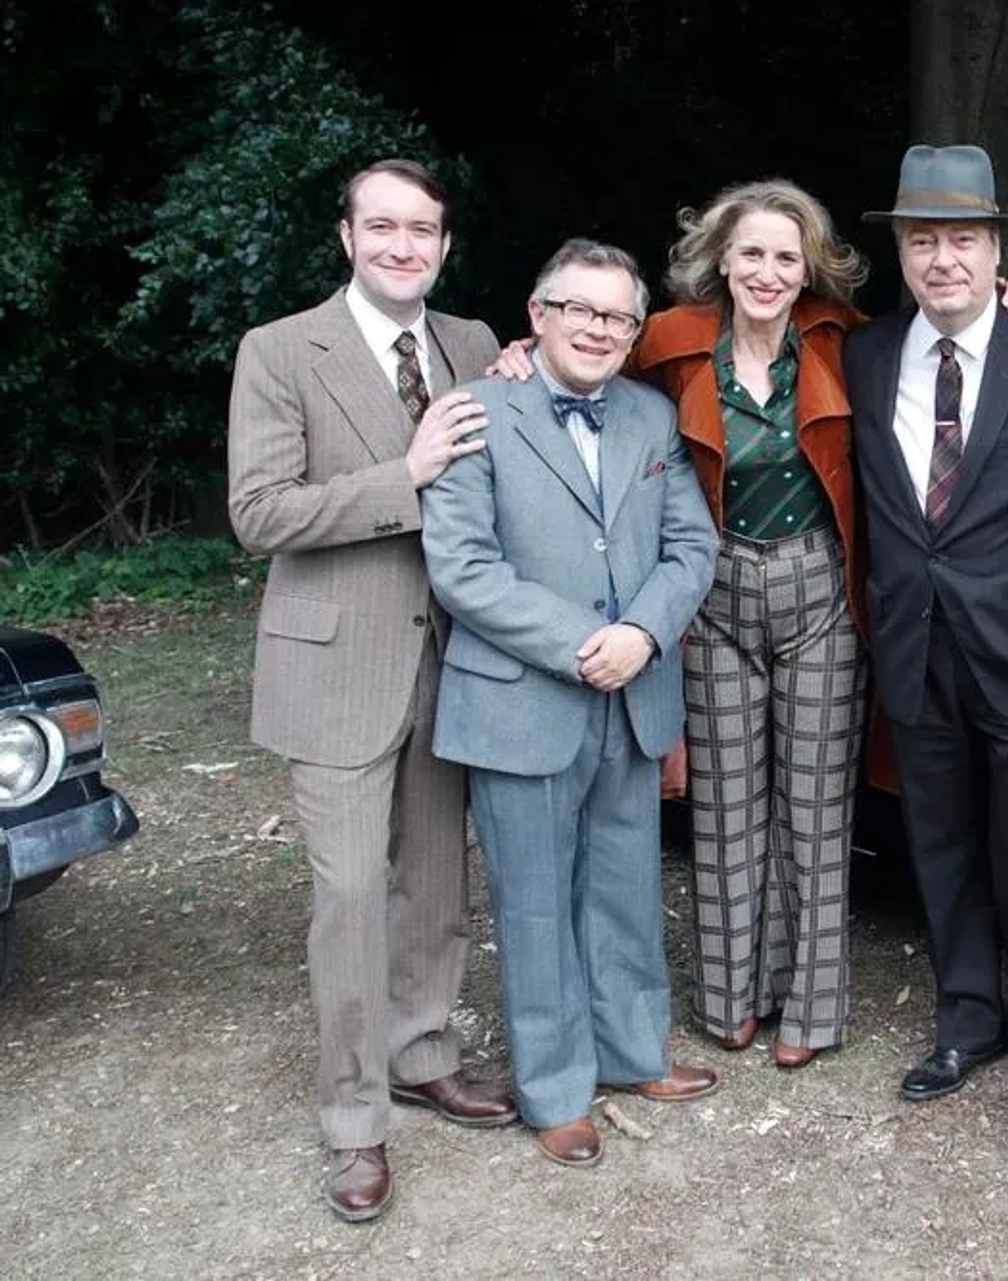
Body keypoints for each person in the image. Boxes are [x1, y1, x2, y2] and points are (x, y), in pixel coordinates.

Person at [227, 158, 517, 1223]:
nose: (405, 246)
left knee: (436, 883)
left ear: (445, 243)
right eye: (383, 227)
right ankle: (354, 1122)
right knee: (350, 897)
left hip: (455, 660)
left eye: (424, 229)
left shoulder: (475, 346)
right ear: (347, 237)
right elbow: (259, 513)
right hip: (334, 664)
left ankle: (423, 1051)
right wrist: (410, 475)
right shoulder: (278, 350)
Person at [421, 238, 721, 1169]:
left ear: (635, 333)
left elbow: (691, 547)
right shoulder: (475, 412)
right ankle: (553, 1087)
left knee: (626, 886)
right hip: (522, 698)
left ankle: (633, 1052)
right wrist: (577, 644)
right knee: (537, 903)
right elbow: (463, 567)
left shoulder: (650, 414)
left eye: (618, 317)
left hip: (633, 691)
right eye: (580, 309)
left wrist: (642, 634)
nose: (598, 328)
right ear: (538, 313)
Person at [844, 144, 1008, 1114]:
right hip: (912, 646)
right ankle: (966, 1017)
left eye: (963, 238)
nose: (942, 258)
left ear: (996, 249)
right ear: (902, 253)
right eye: (924, 240)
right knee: (938, 843)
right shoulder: (866, 354)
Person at [619, 180, 870, 1069]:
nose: (768, 271)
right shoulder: (667, 340)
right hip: (712, 588)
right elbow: (578, 363)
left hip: (819, 592)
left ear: (810, 271)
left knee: (815, 808)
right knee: (725, 810)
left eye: (787, 256)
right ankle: (733, 997)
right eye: (752, 252)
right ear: (721, 257)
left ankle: (812, 1005)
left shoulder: (843, 339)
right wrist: (519, 352)